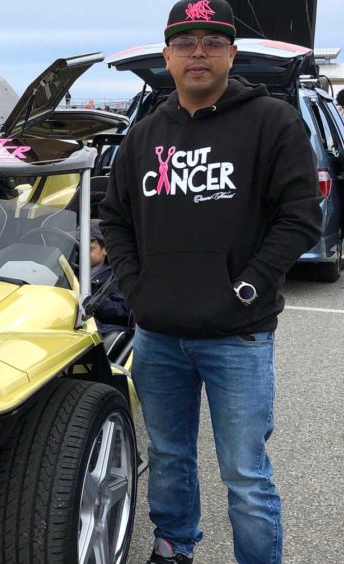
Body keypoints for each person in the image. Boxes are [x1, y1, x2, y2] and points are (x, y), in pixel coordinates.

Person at [99, 1, 322, 563]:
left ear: (232, 53)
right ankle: (174, 548)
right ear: (168, 55)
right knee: (169, 456)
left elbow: (300, 216)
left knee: (245, 474)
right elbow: (116, 220)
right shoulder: (144, 136)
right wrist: (135, 286)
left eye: (212, 41)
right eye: (186, 41)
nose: (199, 52)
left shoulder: (272, 123)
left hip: (238, 337)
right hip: (159, 335)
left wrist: (249, 284)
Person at [88, 225, 130, 334]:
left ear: (105, 250)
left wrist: (91, 301)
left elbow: (122, 312)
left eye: (90, 249)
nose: (84, 253)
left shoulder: (115, 277)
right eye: (80, 247)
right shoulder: (70, 271)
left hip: (99, 333)